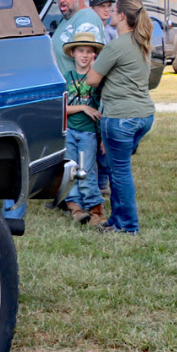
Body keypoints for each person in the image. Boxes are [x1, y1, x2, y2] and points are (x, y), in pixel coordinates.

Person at [86, 0, 157, 233]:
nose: (110, 13)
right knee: (119, 169)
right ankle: (117, 220)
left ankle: (127, 225)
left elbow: (92, 80)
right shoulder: (142, 42)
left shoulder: (116, 45)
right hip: (144, 115)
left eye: (113, 10)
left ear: (122, 16)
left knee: (120, 172)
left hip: (120, 116)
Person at [60, 27, 105, 226]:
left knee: (86, 169)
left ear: (94, 54)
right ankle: (75, 207)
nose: (84, 55)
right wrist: (82, 107)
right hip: (69, 130)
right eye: (80, 51)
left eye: (89, 51)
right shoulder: (67, 77)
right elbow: (61, 108)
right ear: (73, 53)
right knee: (71, 169)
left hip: (88, 132)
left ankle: (96, 210)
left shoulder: (96, 79)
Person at [51, 0, 103, 80]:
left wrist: (81, 92)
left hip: (77, 91)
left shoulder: (86, 20)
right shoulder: (69, 17)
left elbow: (89, 62)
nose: (62, 0)